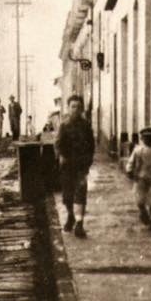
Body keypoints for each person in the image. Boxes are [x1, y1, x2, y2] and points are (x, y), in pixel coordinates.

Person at [54, 94, 95, 238]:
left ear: (82, 108)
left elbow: (91, 145)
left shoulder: (86, 125)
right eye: (73, 106)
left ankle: (79, 224)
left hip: (81, 166)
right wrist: (62, 157)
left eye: (78, 107)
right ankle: (71, 216)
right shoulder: (64, 125)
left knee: (80, 193)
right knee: (67, 196)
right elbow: (58, 144)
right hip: (67, 166)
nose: (76, 109)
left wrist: (88, 161)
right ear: (68, 108)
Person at [125, 126, 151, 230]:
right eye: (145, 138)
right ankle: (143, 212)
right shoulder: (138, 151)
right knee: (140, 199)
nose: (148, 140)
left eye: (150, 138)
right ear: (142, 138)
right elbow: (131, 161)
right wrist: (129, 170)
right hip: (140, 178)